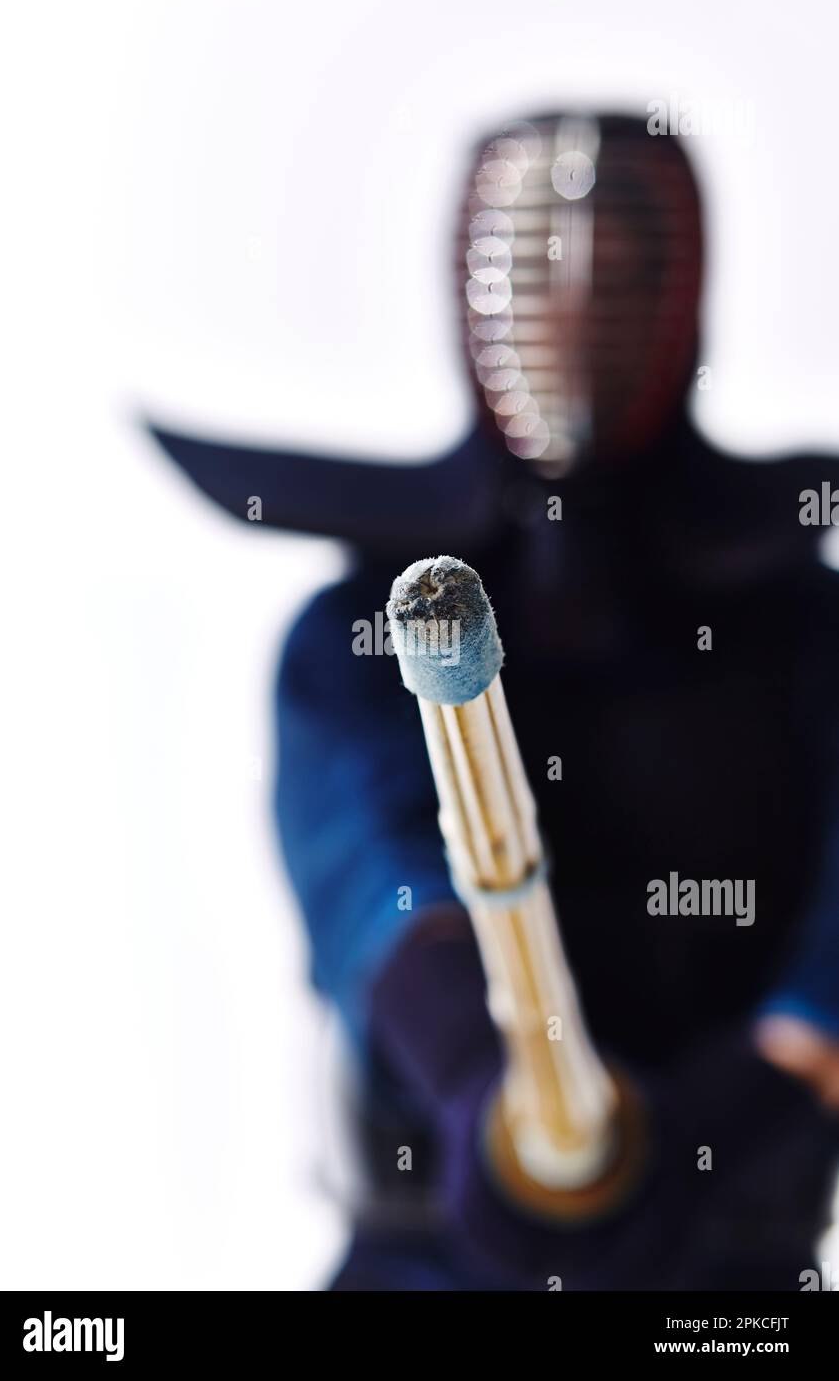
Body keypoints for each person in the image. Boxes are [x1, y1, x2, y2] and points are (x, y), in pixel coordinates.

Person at [149, 113, 839, 1290]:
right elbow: (378, 883)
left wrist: (762, 1083)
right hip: (430, 1249)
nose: (571, 307)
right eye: (536, 265)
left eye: (614, 270)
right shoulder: (356, 639)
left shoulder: (805, 633)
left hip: (725, 1269)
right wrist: (486, 1089)